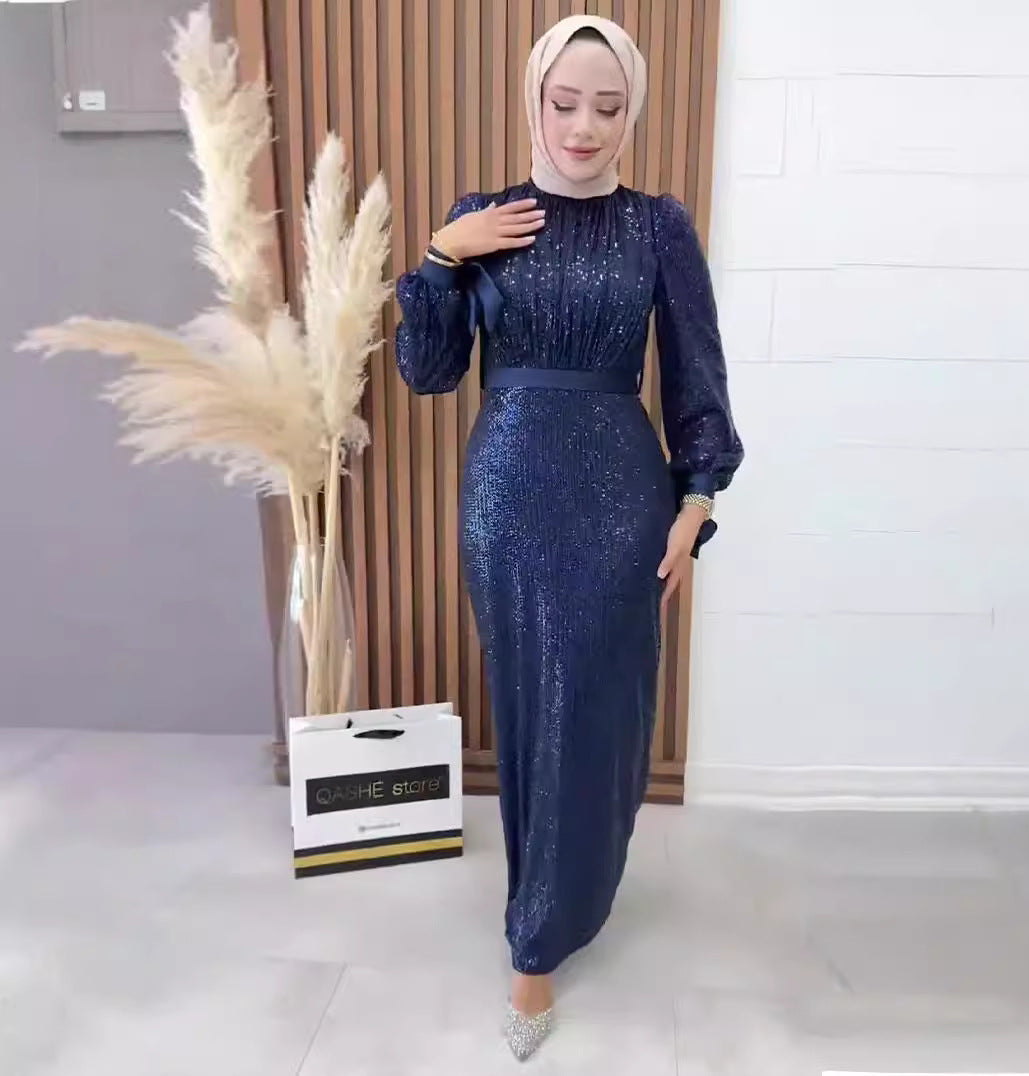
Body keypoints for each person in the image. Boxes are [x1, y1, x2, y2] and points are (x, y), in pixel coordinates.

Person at [395, 13, 743, 1062]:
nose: (583, 126)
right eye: (563, 103)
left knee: (595, 711)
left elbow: (696, 371)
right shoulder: (481, 217)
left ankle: (559, 906)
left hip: (620, 497)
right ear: (533, 100)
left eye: (607, 105)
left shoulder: (658, 226)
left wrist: (696, 502)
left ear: (631, 111)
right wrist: (439, 257)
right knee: (530, 704)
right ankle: (533, 939)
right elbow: (428, 373)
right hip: (507, 493)